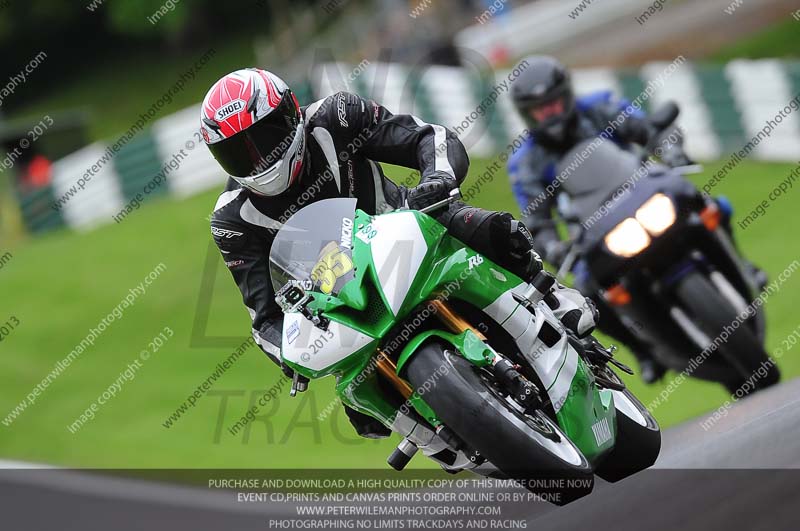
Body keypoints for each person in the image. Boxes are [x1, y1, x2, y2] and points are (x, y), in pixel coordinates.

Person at [203, 68, 598, 437]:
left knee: (487, 226)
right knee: (359, 405)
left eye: (266, 140)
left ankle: (552, 297)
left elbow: (428, 138)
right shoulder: (231, 220)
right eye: (239, 153)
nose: (259, 161)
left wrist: (438, 176)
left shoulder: (336, 116)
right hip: (341, 300)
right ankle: (430, 436)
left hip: (407, 230)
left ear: (291, 114)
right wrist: (291, 353)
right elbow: (264, 318)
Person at [507, 55, 761, 383]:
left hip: (643, 192)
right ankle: (643, 350)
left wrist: (671, 150)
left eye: (553, 104)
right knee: (586, 290)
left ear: (566, 95)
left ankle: (744, 265)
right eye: (540, 109)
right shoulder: (525, 162)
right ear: (526, 114)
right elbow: (537, 218)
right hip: (594, 229)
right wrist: (552, 246)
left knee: (712, 205)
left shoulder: (600, 106)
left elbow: (650, 129)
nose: (549, 113)